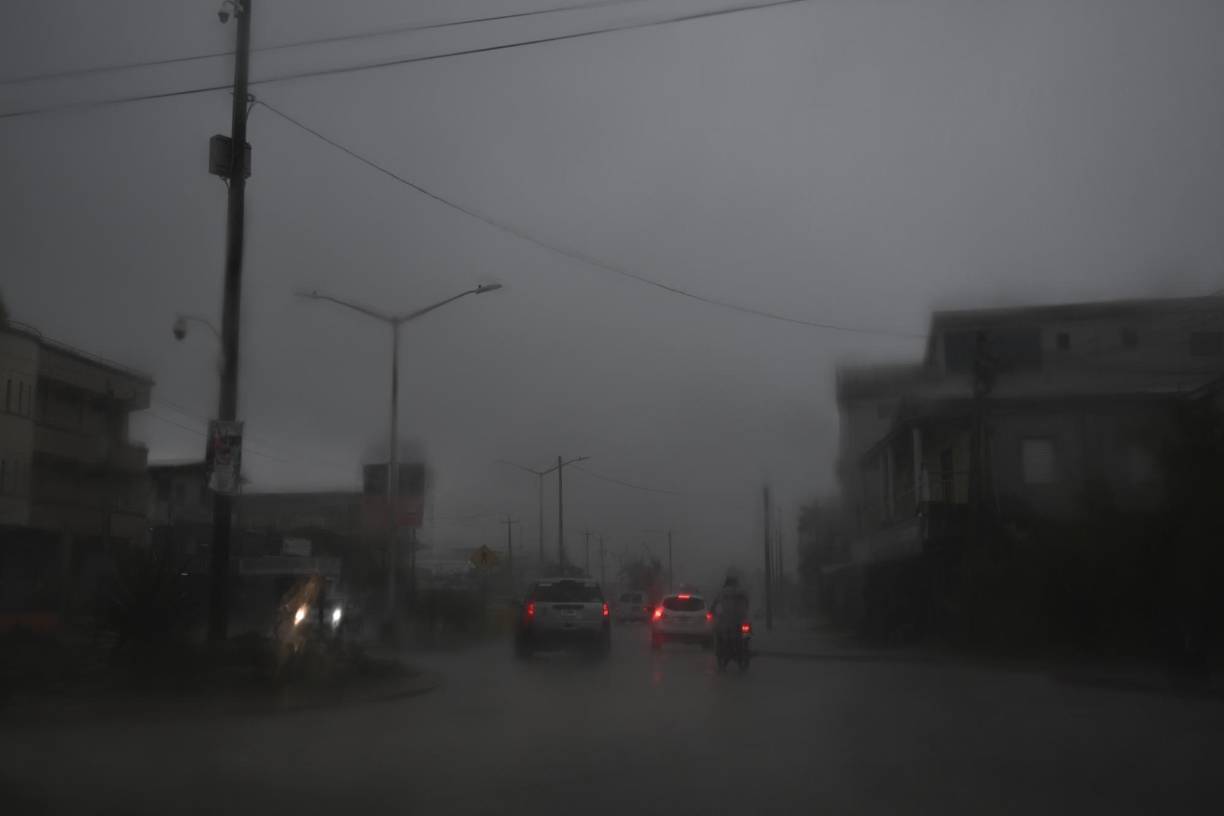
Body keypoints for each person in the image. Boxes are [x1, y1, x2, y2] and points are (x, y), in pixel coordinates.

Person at [710, 574, 750, 648]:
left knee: (718, 631)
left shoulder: (722, 592)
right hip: (740, 619)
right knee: (746, 633)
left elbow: (715, 603)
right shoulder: (742, 591)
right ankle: (745, 648)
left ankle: (721, 650)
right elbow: (747, 603)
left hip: (726, 619)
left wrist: (712, 611)